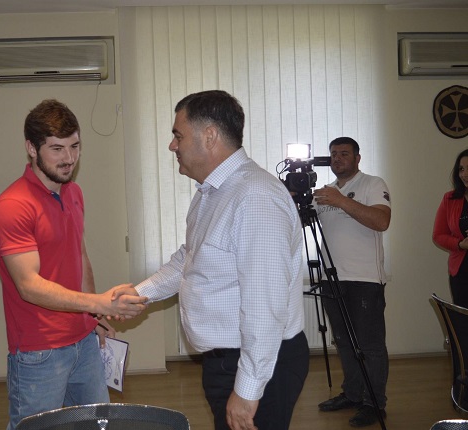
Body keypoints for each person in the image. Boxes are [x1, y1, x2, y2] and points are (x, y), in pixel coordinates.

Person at [113, 90, 309, 430]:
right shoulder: (214, 192)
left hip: (259, 364)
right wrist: (139, 294)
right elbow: (190, 259)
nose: (172, 146)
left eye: (178, 135)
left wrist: (247, 391)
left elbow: (265, 305)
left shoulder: (255, 197)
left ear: (210, 136)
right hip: (228, 361)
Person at [0, 99, 148, 430]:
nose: (69, 158)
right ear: (31, 149)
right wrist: (99, 302)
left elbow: (79, 256)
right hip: (39, 352)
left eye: (74, 146)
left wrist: (93, 317)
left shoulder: (73, 192)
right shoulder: (12, 205)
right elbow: (29, 286)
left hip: (83, 342)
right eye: (57, 149)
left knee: (98, 425)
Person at [312, 137, 391, 427]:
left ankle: (374, 404)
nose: (337, 158)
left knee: (370, 346)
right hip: (332, 278)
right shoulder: (325, 192)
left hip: (365, 279)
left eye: (344, 153)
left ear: (358, 158)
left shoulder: (372, 184)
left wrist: (341, 201)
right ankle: (353, 394)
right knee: (344, 342)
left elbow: (381, 221)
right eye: (333, 154)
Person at [433, 148, 468, 308]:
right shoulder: (450, 198)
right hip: (461, 273)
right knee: (463, 319)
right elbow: (438, 235)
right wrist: (459, 244)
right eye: (461, 169)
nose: (465, 174)